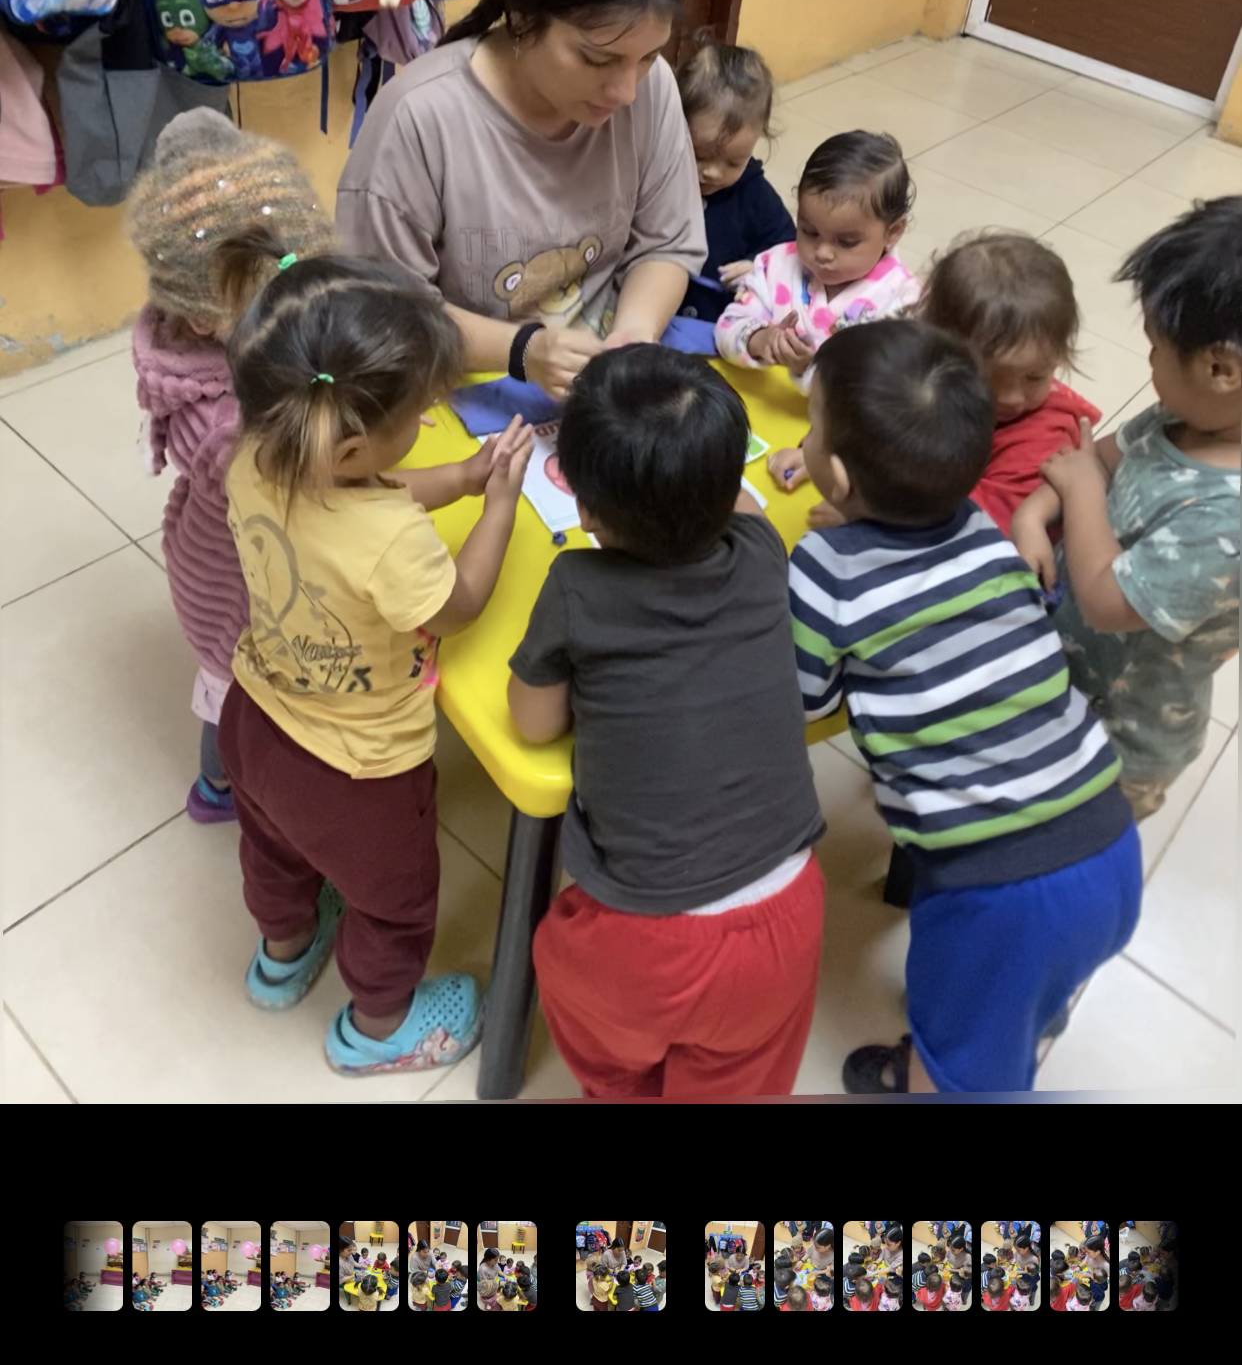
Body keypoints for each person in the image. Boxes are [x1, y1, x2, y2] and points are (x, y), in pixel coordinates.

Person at [787, 321, 1142, 1094]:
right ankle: (1005, 1029)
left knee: (962, 1068)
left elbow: (803, 699)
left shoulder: (824, 566)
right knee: (1011, 1006)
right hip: (1107, 843)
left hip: (997, 893)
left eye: (812, 426)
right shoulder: (986, 531)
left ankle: (933, 1078)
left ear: (837, 478)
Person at [217, 258, 532, 1075]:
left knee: (272, 850)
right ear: (353, 445)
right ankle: (379, 1026)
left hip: (253, 720)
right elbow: (457, 606)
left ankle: (282, 956)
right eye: (419, 413)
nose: (427, 418)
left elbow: (364, 491)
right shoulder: (392, 543)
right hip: (359, 772)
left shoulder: (257, 455)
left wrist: (459, 477)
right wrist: (498, 504)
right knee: (394, 902)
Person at [509, 348, 826, 1100]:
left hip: (642, 939)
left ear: (584, 509)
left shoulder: (577, 586)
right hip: (788, 912)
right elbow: (735, 503)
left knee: (604, 1044)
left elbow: (532, 722)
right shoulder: (761, 550)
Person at [337, 0, 706, 401]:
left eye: (647, 57)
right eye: (598, 59)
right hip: (461, 380)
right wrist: (523, 351)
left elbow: (667, 242)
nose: (626, 91)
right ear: (524, 19)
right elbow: (386, 311)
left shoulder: (652, 88)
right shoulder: (417, 119)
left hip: (596, 381)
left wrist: (633, 337)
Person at [128, 109, 331, 821]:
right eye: (271, 301)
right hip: (229, 586)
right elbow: (281, 469)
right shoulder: (215, 424)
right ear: (203, 317)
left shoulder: (247, 330)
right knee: (231, 693)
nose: (294, 311)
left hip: (254, 556)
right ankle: (216, 788)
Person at [1012, 197, 1241, 817]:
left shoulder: (1227, 520)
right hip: (1059, 674)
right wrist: (1033, 513)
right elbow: (1095, 456)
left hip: (1120, 739)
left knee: (1066, 839)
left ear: (1220, 367)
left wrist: (1083, 491)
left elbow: (1109, 603)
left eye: (1156, 349)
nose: (1150, 363)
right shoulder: (1187, 415)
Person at [720, 128, 918, 431]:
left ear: (892, 233)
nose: (822, 253)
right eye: (809, 232)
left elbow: (879, 396)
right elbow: (727, 326)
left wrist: (807, 368)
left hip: (835, 437)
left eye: (846, 242)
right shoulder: (776, 264)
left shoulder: (901, 302)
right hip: (759, 413)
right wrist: (760, 339)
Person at [919, 232, 1100, 539]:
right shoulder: (930, 368)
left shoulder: (1045, 441)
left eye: (1035, 377)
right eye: (988, 377)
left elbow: (977, 532)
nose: (1012, 399)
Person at [675, 36, 794, 320]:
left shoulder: (755, 195)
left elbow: (789, 249)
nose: (713, 172)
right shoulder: (659, 178)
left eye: (733, 162)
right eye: (700, 155)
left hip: (721, 325)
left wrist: (758, 266)